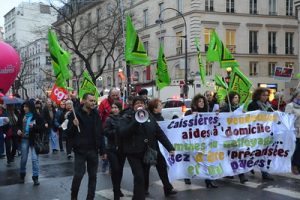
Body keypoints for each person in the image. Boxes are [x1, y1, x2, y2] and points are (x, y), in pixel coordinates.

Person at [119, 96, 175, 200]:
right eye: (137, 103)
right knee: (139, 177)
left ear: (145, 106)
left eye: (142, 103)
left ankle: (138, 197)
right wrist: (136, 121)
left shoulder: (149, 116)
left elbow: (159, 133)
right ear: (133, 106)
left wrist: (170, 148)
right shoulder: (126, 117)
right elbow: (123, 132)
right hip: (133, 153)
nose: (139, 105)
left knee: (143, 177)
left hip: (147, 152)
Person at [68, 93, 106, 200]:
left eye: (94, 101)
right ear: (84, 101)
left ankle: (90, 197)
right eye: (91, 100)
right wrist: (74, 126)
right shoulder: (75, 114)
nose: (93, 103)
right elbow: (68, 134)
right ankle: (73, 197)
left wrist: (103, 151)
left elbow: (100, 133)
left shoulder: (96, 114)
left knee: (93, 176)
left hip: (93, 150)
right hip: (80, 150)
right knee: (78, 175)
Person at [183, 94, 218, 188]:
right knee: (192, 160)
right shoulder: (189, 113)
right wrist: (192, 116)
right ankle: (187, 176)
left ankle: (208, 181)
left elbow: (213, 124)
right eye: (199, 101)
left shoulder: (207, 113)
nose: (201, 103)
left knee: (207, 160)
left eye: (203, 101)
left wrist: (216, 115)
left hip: (204, 141)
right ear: (195, 103)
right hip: (193, 141)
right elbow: (184, 126)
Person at [146, 98, 177, 197]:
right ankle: (144, 189)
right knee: (145, 169)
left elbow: (162, 134)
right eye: (160, 105)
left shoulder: (160, 117)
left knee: (162, 168)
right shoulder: (149, 118)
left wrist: (169, 147)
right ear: (154, 109)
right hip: (150, 148)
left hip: (159, 149)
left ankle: (167, 188)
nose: (162, 107)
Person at [220, 92, 248, 184]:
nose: (237, 99)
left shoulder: (240, 108)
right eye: (235, 97)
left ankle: (241, 175)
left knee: (237, 154)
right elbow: (220, 118)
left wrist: (245, 114)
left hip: (237, 135)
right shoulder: (225, 108)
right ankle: (227, 171)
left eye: (238, 97)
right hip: (227, 135)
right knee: (228, 155)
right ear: (231, 98)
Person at [247, 87, 274, 181]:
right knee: (254, 152)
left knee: (264, 153)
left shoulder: (269, 105)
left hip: (266, 133)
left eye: (267, 95)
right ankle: (248, 166)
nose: (265, 97)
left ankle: (265, 172)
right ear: (258, 95)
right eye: (263, 95)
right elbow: (250, 118)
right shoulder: (253, 105)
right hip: (256, 133)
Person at [17, 100, 44, 185]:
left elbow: (42, 128)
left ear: (30, 107)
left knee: (34, 159)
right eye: (24, 107)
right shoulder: (22, 116)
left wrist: (34, 126)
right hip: (24, 139)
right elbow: (17, 126)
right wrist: (18, 130)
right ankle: (22, 175)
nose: (24, 108)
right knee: (23, 158)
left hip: (34, 140)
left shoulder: (36, 116)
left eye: (26, 107)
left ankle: (35, 177)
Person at [104, 101, 126, 200]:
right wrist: (116, 131)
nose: (114, 109)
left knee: (120, 170)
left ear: (120, 108)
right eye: (112, 108)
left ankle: (118, 188)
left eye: (116, 107)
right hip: (111, 148)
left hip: (122, 148)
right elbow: (106, 132)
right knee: (115, 169)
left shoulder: (124, 119)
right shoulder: (109, 119)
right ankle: (116, 191)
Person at [98, 88, 124, 172]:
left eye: (117, 95)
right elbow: (100, 115)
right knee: (106, 148)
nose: (115, 97)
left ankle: (112, 167)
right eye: (113, 95)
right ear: (109, 95)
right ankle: (105, 164)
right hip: (107, 129)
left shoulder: (121, 103)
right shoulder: (103, 103)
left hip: (119, 129)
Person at [285, 90, 300, 174]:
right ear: (295, 96)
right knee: (296, 150)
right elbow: (287, 119)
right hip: (295, 131)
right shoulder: (290, 106)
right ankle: (294, 165)